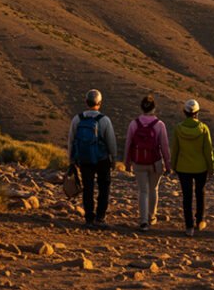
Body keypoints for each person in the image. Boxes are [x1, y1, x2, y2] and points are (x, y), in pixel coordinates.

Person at [67, 89, 118, 229]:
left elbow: (71, 140)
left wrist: (71, 159)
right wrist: (113, 158)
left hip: (84, 159)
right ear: (99, 103)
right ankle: (100, 217)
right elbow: (111, 142)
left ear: (86, 102)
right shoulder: (104, 120)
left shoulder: (77, 119)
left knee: (88, 188)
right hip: (102, 159)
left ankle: (89, 218)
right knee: (104, 187)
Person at [124, 95, 171, 231]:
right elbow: (165, 147)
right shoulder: (159, 125)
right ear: (154, 108)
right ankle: (152, 217)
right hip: (155, 162)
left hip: (138, 162)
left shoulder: (134, 124)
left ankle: (143, 221)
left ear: (141, 107)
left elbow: (128, 144)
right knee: (153, 189)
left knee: (143, 191)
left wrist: (127, 162)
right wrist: (168, 165)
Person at [171, 99, 214, 237]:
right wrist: (211, 167)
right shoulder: (203, 128)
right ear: (197, 112)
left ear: (184, 112)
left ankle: (189, 226)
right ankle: (200, 220)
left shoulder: (178, 128)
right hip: (200, 167)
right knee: (200, 193)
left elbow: (175, 149)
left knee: (187, 196)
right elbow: (208, 150)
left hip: (183, 167)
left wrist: (173, 166)